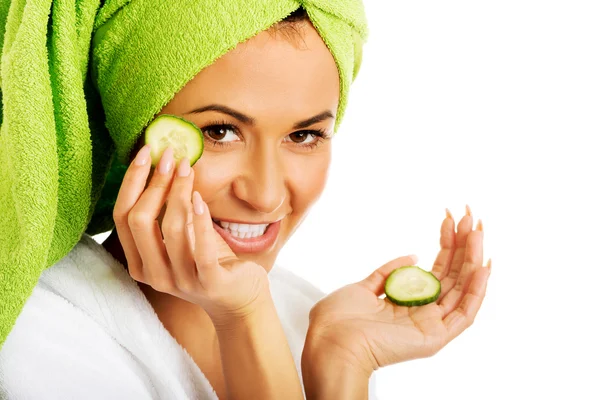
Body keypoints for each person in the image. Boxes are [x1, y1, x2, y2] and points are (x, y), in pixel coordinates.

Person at [0, 2, 491, 399]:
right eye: (219, 131)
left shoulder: (306, 315)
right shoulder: (35, 337)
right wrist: (244, 318)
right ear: (133, 134)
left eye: (304, 135)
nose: (266, 194)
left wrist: (341, 367)